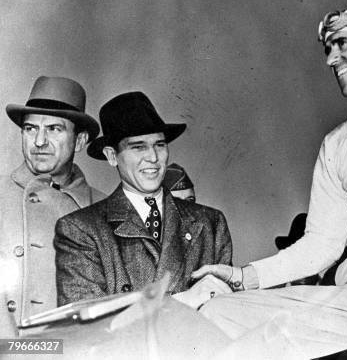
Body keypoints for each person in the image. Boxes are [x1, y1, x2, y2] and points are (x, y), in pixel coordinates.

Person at [180, 6, 347, 359]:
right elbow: (322, 244)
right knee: (219, 313)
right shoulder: (337, 143)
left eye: (341, 43)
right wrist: (243, 276)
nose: (331, 59)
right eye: (328, 49)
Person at [54, 91, 232, 305]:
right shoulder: (80, 230)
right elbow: (86, 324)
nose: (153, 158)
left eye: (160, 145)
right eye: (139, 147)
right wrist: (183, 301)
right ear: (112, 156)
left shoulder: (210, 223)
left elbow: (224, 316)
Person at [0, 76, 102, 334]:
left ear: (79, 141)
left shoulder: (105, 210)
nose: (39, 141)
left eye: (54, 129)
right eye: (30, 128)